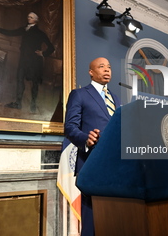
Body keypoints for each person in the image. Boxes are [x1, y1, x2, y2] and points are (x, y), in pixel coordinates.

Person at [64, 57, 120, 236]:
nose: (107, 70)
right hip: (92, 162)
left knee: (115, 216)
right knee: (93, 219)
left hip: (118, 165)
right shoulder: (79, 94)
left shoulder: (115, 98)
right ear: (91, 72)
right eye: (101, 66)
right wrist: (86, 139)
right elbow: (70, 127)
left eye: (109, 67)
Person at [0, 12, 55, 112]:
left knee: (35, 83)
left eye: (31, 17)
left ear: (36, 20)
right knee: (19, 80)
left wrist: (43, 53)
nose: (29, 18)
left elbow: (51, 47)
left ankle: (33, 105)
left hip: (35, 62)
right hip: (23, 60)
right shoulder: (24, 29)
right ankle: (18, 103)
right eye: (28, 17)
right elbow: (10, 32)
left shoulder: (40, 33)